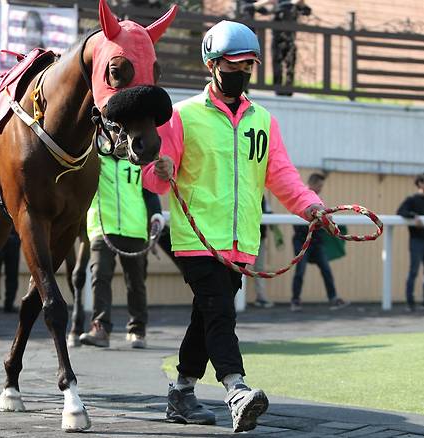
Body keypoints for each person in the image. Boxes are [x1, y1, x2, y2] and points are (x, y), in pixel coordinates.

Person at [142, 21, 325, 433]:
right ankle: (236, 389)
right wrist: (160, 169)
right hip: (195, 239)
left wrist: (312, 207)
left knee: (205, 318)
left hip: (241, 245)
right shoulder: (181, 116)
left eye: (249, 65)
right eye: (234, 64)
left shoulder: (264, 120)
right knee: (220, 314)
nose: (241, 72)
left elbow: (282, 176)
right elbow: (153, 177)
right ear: (212, 64)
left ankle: (181, 392)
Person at [79, 153, 150, 349]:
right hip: (103, 228)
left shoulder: (137, 157)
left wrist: (157, 216)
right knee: (99, 275)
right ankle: (100, 328)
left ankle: (137, 329)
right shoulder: (93, 158)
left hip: (135, 228)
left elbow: (149, 191)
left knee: (136, 281)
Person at [290, 173, 349, 312]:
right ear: (313, 183)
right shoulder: (301, 197)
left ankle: (333, 298)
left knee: (326, 269)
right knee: (300, 271)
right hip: (301, 240)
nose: (321, 188)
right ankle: (295, 300)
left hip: (317, 241)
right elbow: (297, 220)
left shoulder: (319, 200)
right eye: (320, 185)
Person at [397, 172, 424, 312]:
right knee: (414, 271)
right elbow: (400, 211)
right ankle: (410, 303)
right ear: (420, 184)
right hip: (417, 241)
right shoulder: (412, 200)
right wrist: (413, 216)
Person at [271, 0, 311, 96]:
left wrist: (302, 3)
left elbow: (307, 11)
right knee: (277, 64)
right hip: (278, 38)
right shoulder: (281, 3)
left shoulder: (295, 5)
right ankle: (278, 89)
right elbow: (277, 8)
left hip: (290, 39)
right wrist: (293, 3)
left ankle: (288, 89)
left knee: (290, 65)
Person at [252, 196, 284, 308]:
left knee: (259, 268)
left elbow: (269, 214)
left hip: (260, 238)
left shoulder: (263, 197)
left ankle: (261, 297)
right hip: (243, 237)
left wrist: (277, 234)